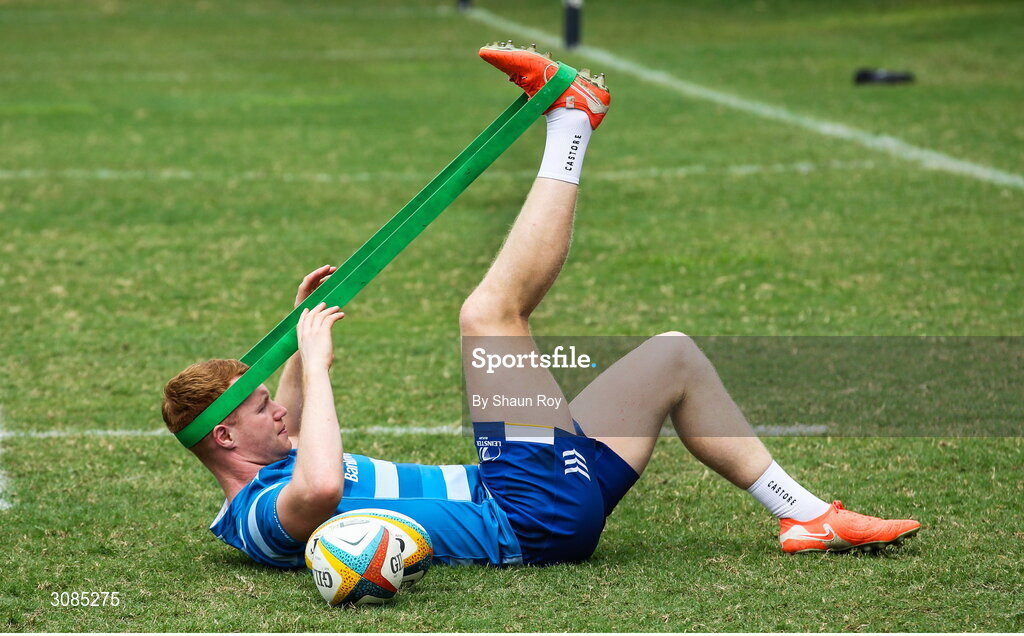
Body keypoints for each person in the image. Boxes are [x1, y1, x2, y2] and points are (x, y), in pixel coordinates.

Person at [161, 43, 920, 569]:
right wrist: (320, 369)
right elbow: (318, 485)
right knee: (488, 318)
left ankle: (806, 513)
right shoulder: (265, 516)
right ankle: (571, 122)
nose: (280, 410)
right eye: (263, 407)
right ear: (226, 436)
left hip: (535, 496)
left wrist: (297, 341)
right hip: (524, 513)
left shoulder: (264, 476)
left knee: (672, 357)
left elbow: (296, 451)